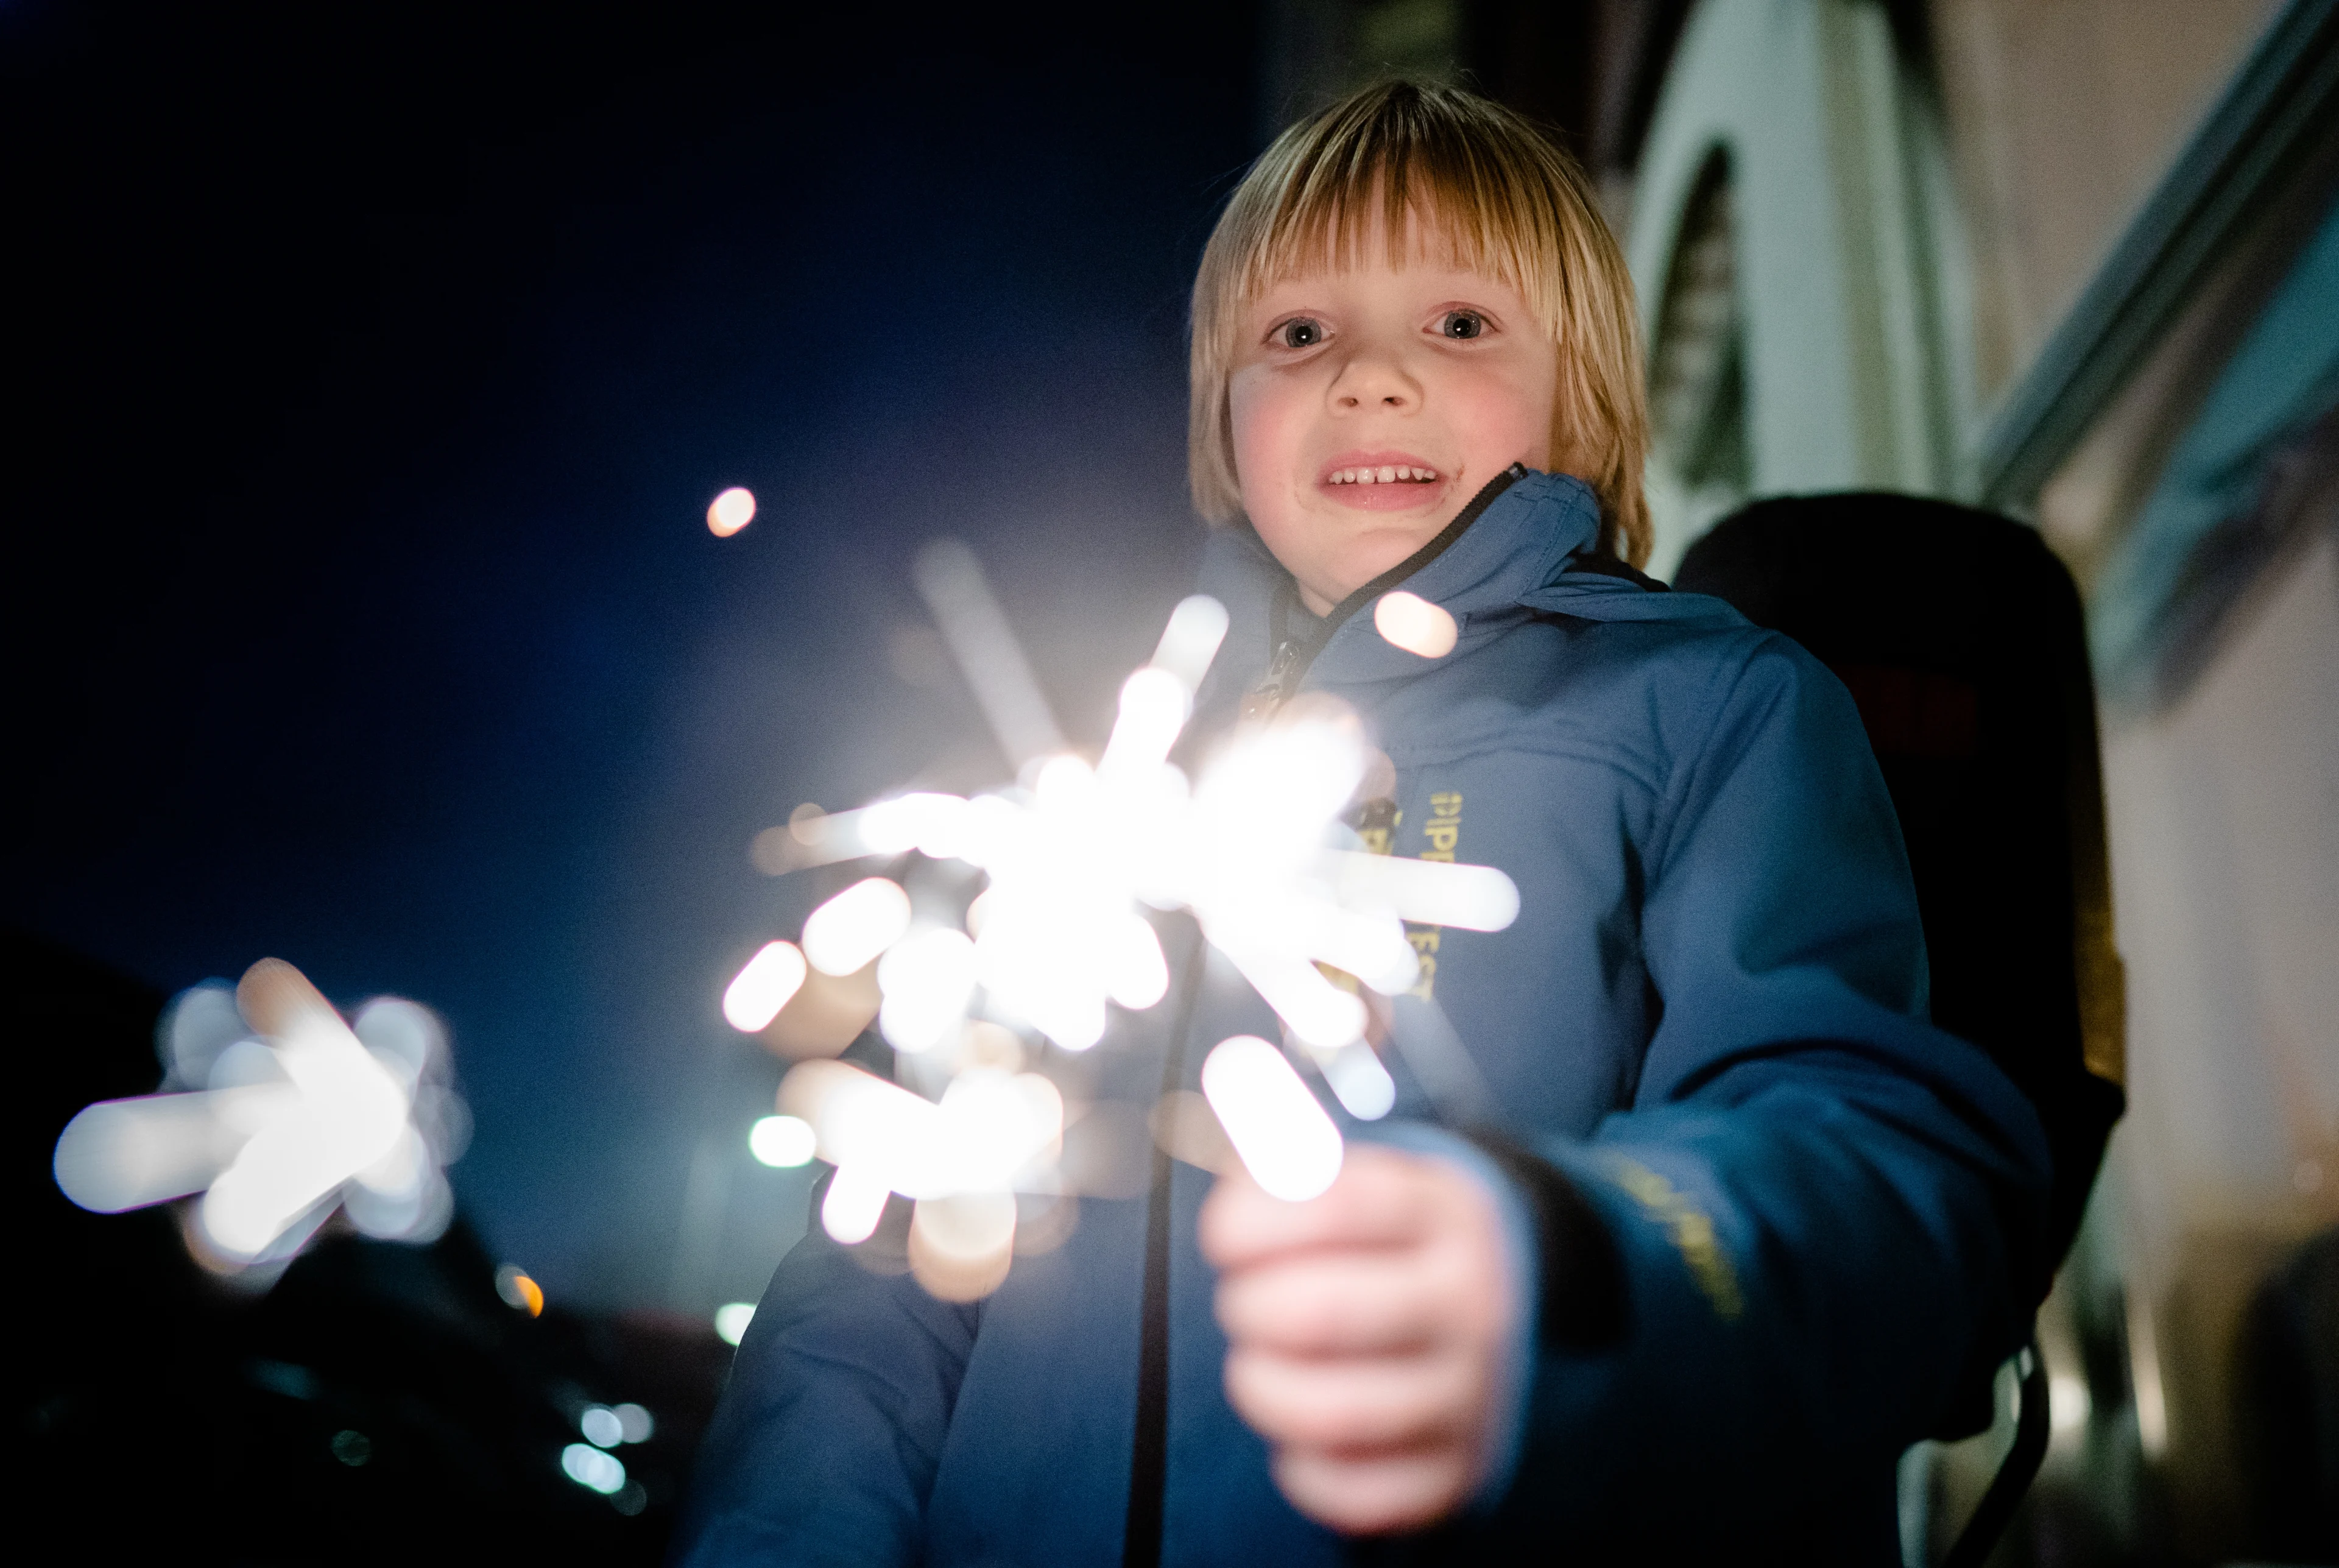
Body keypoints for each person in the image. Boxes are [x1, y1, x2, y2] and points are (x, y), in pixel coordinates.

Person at [674, 80, 2048, 1565]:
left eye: (1458, 326)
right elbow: (872, 1290)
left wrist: (1578, 1276)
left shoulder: (1714, 709)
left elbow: (1886, 1166)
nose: (1370, 378)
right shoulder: (1095, 789)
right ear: (1224, 410)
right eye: (1298, 334)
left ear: (1577, 389)